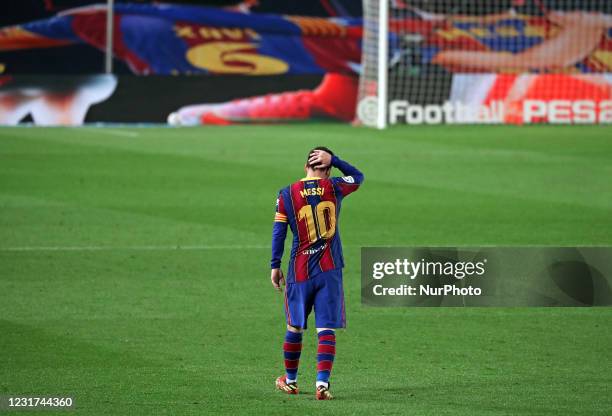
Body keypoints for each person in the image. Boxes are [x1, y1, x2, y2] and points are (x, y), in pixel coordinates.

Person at [270, 147, 363, 400]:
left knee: (294, 327)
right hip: (330, 269)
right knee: (326, 329)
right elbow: (358, 177)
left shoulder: (287, 193)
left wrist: (274, 265)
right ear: (329, 169)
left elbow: (279, 232)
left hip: (299, 270)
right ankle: (322, 385)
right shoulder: (334, 187)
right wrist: (337, 160)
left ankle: (290, 381)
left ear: (305, 167)